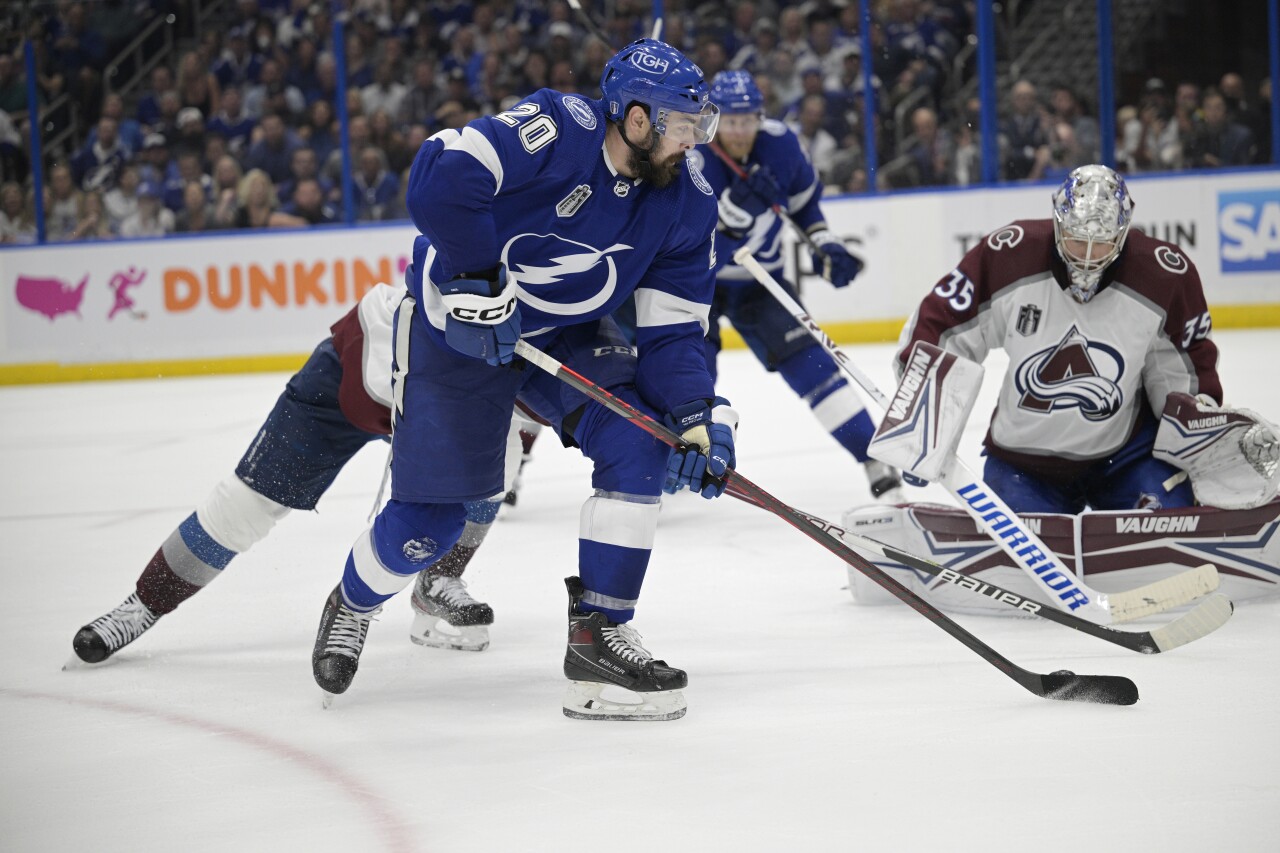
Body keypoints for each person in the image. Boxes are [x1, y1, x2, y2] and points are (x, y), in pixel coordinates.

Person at [311, 38, 728, 721]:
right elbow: (440, 174)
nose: (692, 141)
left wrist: (691, 413)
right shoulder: (559, 129)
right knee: (429, 525)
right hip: (460, 331)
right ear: (635, 118)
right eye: (682, 125)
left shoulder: (686, 201)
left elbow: (673, 332)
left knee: (640, 439)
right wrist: (478, 276)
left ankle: (599, 638)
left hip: (564, 334)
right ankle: (353, 601)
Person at [70, 282, 515, 666]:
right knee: (245, 505)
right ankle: (142, 605)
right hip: (350, 382)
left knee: (500, 460)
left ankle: (437, 579)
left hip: (434, 397)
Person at [894, 164, 1222, 514]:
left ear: (1123, 234)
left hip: (1125, 456)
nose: (1086, 257)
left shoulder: (1162, 276)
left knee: (1169, 516)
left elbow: (1179, 370)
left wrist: (1196, 438)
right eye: (1077, 239)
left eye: (1101, 245)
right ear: (1057, 223)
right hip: (1024, 463)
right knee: (1012, 557)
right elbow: (941, 330)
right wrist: (924, 424)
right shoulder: (1009, 256)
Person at [692, 70, 902, 503]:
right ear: (714, 119)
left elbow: (806, 207)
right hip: (697, 284)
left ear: (760, 116)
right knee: (691, 379)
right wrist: (733, 213)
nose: (738, 131)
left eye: (747, 120)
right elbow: (692, 239)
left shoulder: (782, 145)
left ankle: (873, 459)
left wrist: (825, 244)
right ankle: (670, 462)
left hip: (760, 282)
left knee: (815, 369)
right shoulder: (692, 152)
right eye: (729, 121)